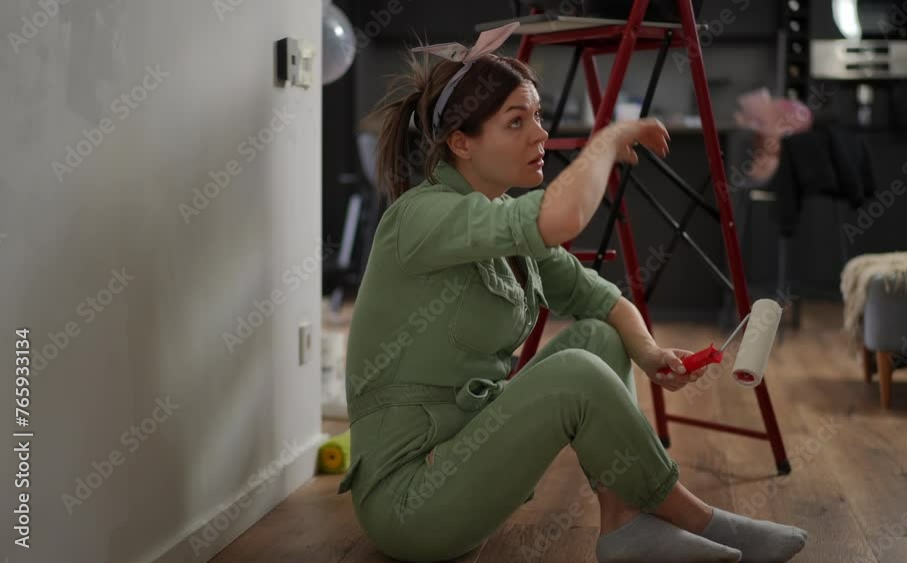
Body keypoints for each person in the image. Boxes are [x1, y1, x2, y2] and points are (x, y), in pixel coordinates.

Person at [337, 26, 807, 563]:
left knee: (600, 338)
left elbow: (599, 297)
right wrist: (605, 141)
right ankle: (699, 518)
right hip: (411, 502)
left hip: (464, 459)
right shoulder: (420, 216)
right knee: (576, 371)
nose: (540, 134)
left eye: (537, 115)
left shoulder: (495, 216)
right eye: (516, 121)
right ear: (461, 142)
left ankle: (625, 522)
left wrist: (649, 352)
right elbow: (561, 217)